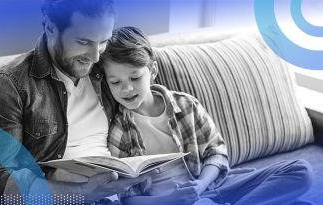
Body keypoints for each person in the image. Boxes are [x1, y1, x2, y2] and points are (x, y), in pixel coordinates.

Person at [100, 26, 314, 205]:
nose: (127, 89)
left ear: (153, 71)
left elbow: (216, 152)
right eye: (116, 82)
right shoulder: (119, 131)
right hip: (167, 201)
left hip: (210, 188)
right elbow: (126, 197)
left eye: (135, 78)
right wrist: (171, 199)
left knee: (300, 171)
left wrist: (201, 185)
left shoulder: (185, 105)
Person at [0, 1, 152, 204]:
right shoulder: (10, 84)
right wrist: (83, 193)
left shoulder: (105, 70)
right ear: (50, 28)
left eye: (103, 41)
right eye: (83, 42)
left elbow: (147, 92)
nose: (95, 57)